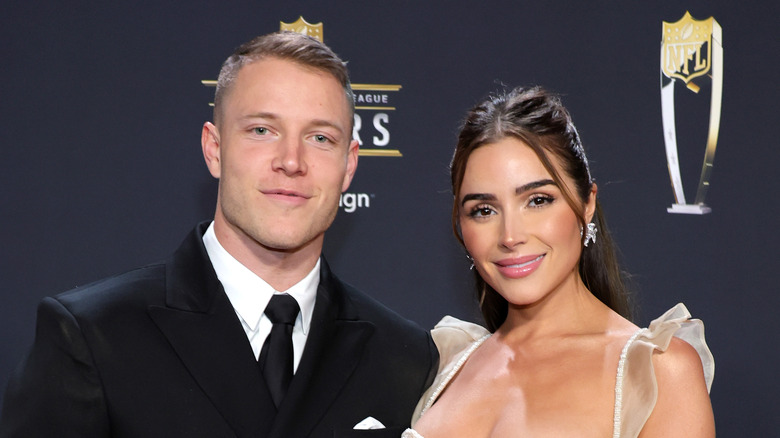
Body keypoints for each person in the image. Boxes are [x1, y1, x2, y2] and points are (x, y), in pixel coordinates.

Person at [0, 32, 437, 438]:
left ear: (349, 165)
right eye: (262, 130)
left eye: (320, 137)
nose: (291, 160)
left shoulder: (404, 357)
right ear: (214, 149)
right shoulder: (94, 336)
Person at [404, 86, 714, 438]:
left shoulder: (659, 372)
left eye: (537, 200)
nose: (510, 236)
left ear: (587, 203)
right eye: (484, 210)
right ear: (460, 224)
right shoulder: (446, 364)